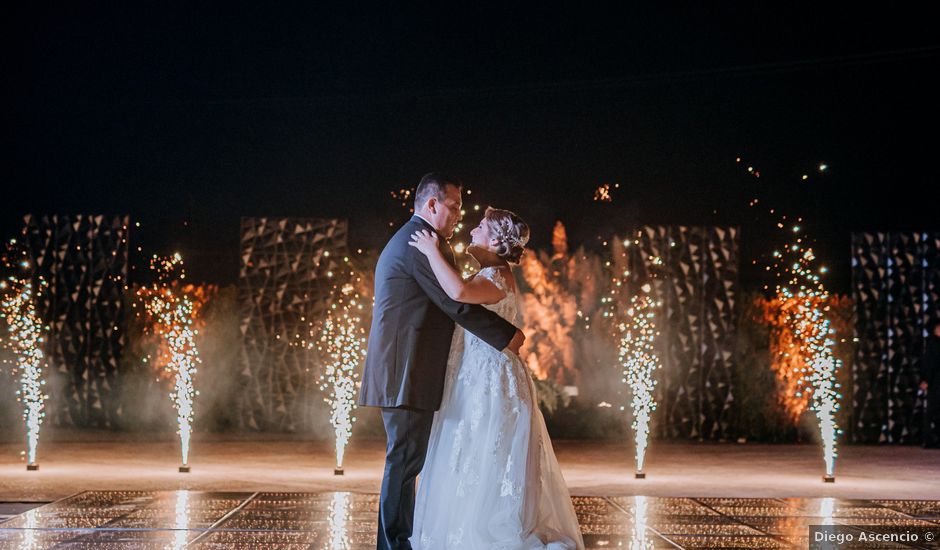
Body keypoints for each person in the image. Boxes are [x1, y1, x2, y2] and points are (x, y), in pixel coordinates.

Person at [358, 173, 526, 550]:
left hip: (407, 370)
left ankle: (398, 541)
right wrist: (507, 336)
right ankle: (393, 545)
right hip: (405, 371)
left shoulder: (419, 239)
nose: (459, 215)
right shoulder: (422, 242)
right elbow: (455, 303)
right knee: (403, 462)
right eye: (454, 207)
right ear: (432, 204)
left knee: (406, 462)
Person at [408, 207, 584, 549]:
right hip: (478, 377)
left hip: (491, 383)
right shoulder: (490, 272)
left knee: (487, 451)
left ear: (497, 240)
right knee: (475, 452)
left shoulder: (496, 276)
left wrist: (430, 251)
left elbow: (457, 294)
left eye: (481, 227)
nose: (473, 230)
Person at [920, 320, 940, 448]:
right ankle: (929, 439)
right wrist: (925, 379)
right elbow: (929, 363)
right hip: (935, 382)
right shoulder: (933, 343)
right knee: (932, 411)